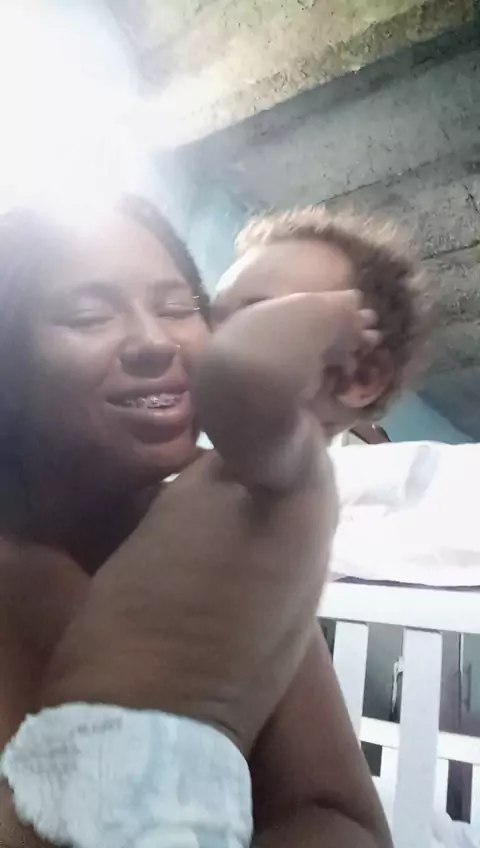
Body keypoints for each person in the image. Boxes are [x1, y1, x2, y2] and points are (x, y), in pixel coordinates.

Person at [0, 197, 423, 848]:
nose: (157, 342)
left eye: (178, 308)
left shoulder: (242, 535)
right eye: (88, 315)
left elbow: (337, 816)